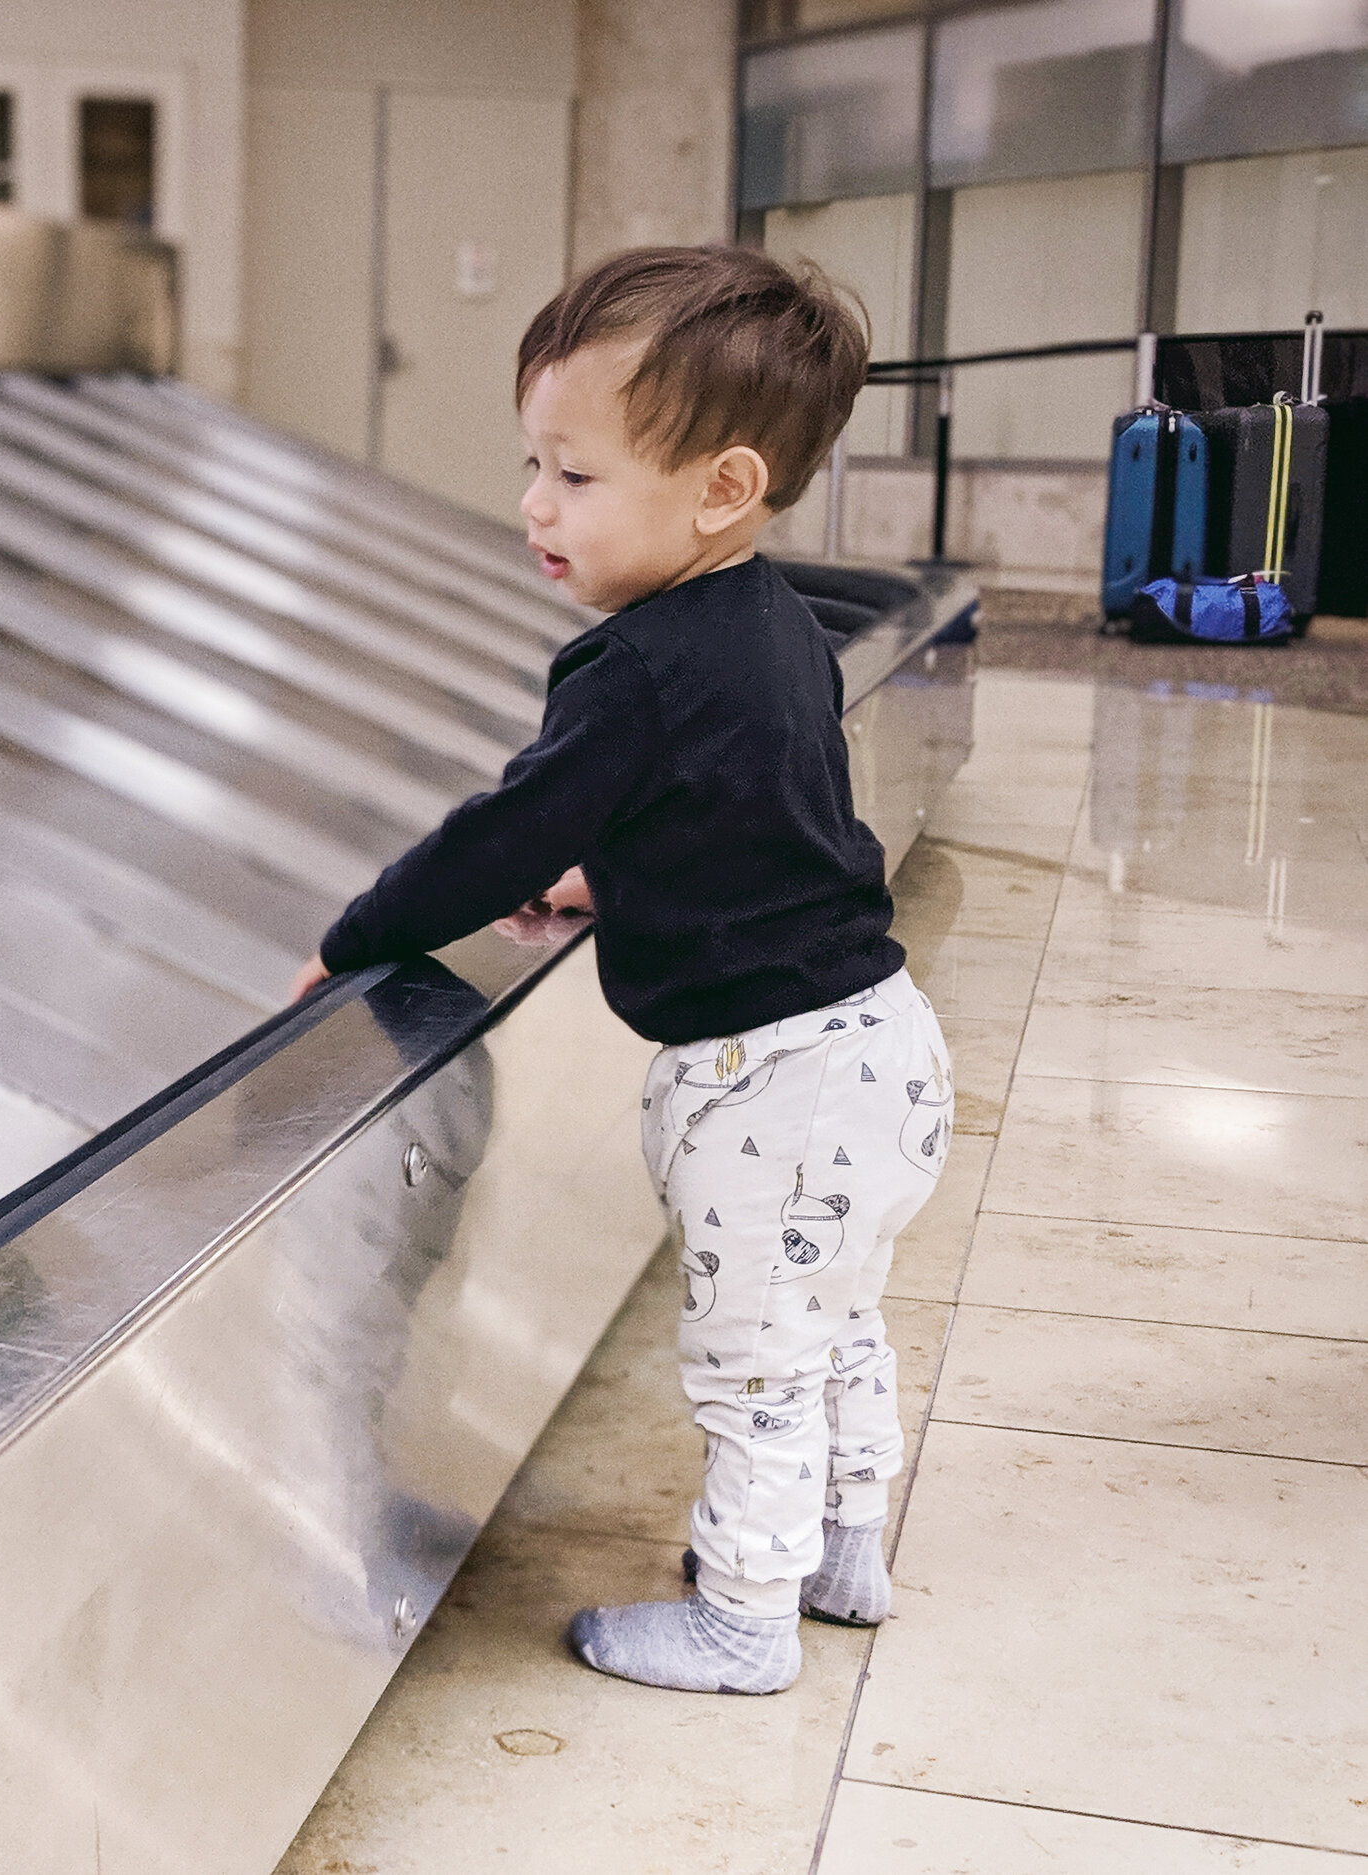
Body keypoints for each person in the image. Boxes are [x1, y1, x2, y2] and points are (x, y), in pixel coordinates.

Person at [286, 245, 953, 1696]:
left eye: (575, 478)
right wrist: (615, 882)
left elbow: (496, 835)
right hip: (880, 1049)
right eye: (533, 463)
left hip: (767, 1087)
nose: (534, 505)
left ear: (720, 489)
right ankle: (844, 1554)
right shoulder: (774, 621)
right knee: (837, 1323)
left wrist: (358, 938)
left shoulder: (635, 668)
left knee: (753, 1365)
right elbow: (764, 816)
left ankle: (745, 1623)